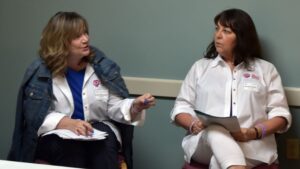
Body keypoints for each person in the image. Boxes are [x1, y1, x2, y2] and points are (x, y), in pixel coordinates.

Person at [7, 11, 155, 169]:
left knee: (105, 150)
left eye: (85, 32)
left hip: (98, 129)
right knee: (71, 151)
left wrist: (134, 106)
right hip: (57, 133)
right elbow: (33, 116)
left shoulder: (102, 67)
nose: (86, 39)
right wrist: (66, 123)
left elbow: (113, 107)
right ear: (60, 40)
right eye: (77, 36)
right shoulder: (40, 72)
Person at [171, 8, 291, 169]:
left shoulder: (266, 69)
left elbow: (281, 115)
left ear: (242, 37)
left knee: (218, 162)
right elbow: (180, 108)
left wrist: (252, 132)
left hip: (253, 146)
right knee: (215, 130)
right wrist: (193, 124)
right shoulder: (200, 68)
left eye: (226, 31)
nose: (218, 35)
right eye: (217, 29)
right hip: (204, 143)